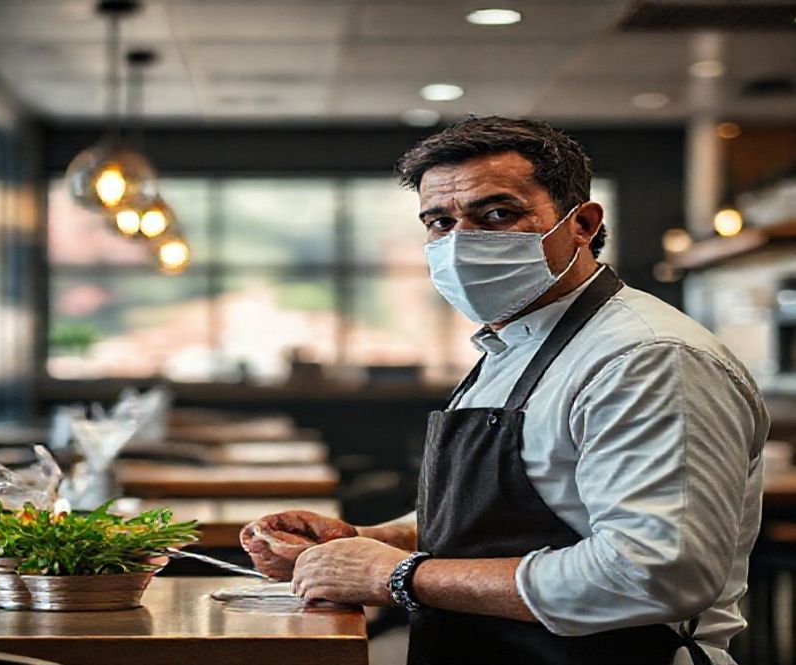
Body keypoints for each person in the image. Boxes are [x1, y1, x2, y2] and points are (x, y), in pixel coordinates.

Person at [240, 117, 769, 665]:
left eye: (497, 213)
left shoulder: (649, 359)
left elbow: (652, 576)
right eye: (439, 221)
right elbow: (525, 515)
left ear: (582, 224)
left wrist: (390, 574)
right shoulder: (513, 343)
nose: (461, 242)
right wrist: (364, 540)